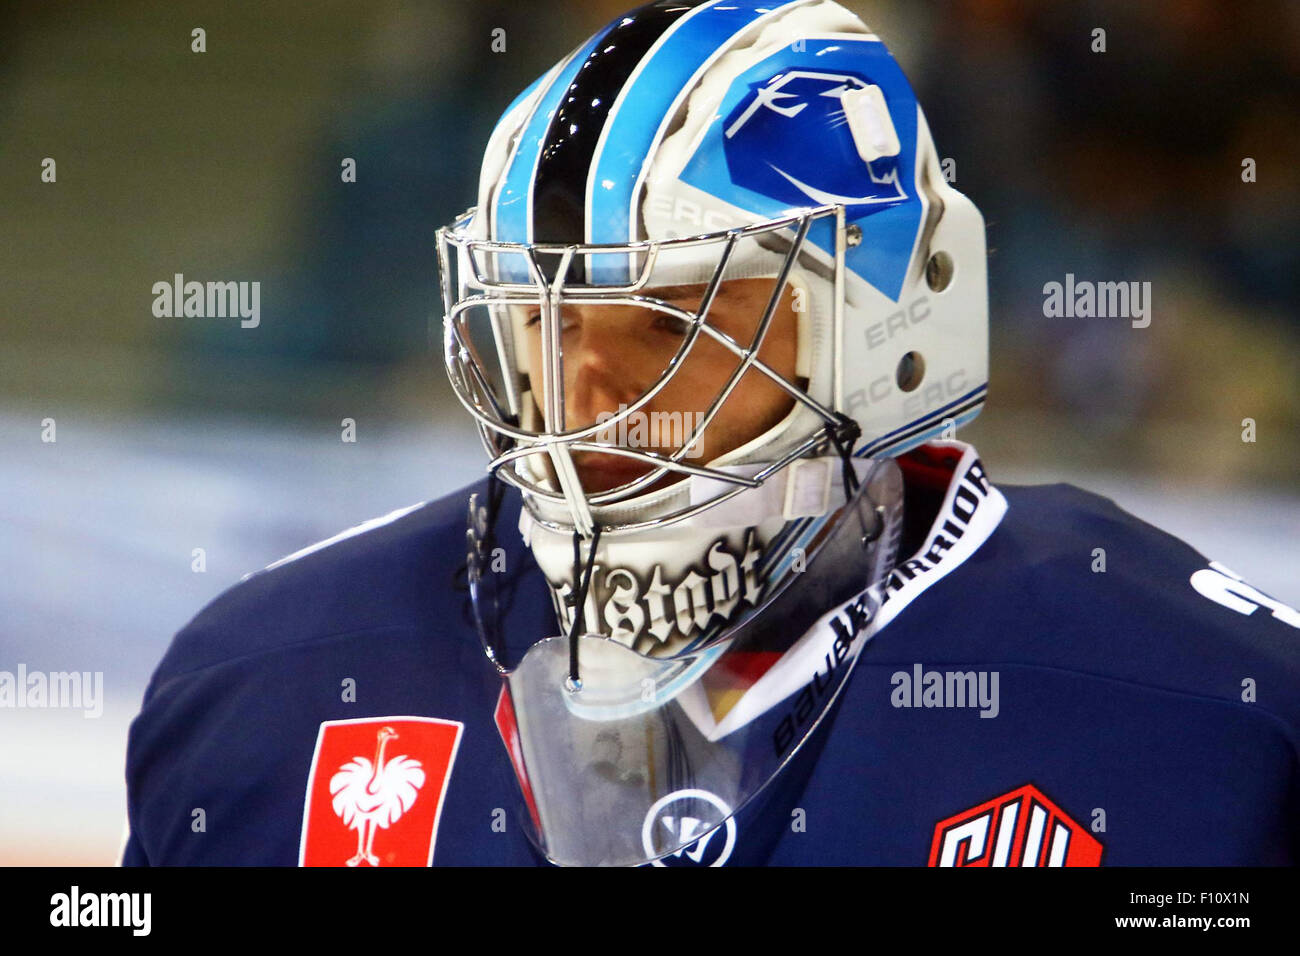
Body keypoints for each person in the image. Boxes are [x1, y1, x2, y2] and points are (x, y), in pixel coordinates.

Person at [122, 0, 1300, 867]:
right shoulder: (264, 681)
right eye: (544, 322)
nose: (587, 403)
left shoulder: (1213, 714)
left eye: (672, 324)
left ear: (888, 322)